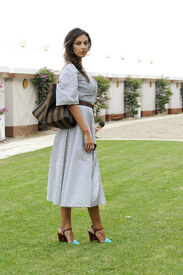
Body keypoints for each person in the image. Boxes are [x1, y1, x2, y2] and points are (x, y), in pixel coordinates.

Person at [47, 28, 111, 244]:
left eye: (86, 43)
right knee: (81, 174)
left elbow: (84, 104)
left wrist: (91, 129)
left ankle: (70, 229)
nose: (84, 47)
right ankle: (93, 229)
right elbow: (71, 103)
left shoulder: (79, 69)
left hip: (84, 125)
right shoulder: (69, 70)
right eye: (79, 43)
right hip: (76, 130)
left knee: (84, 174)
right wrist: (86, 132)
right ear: (70, 46)